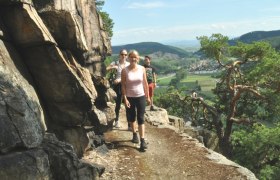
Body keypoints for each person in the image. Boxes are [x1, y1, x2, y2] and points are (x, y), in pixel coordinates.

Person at [121, 50, 150, 151]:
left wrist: (148, 96)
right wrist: (125, 98)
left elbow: (145, 83)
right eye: (131, 57)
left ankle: (142, 141)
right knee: (132, 118)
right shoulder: (124, 70)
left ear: (138, 58)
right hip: (129, 97)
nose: (133, 59)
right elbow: (123, 85)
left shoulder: (142, 69)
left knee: (141, 118)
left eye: (135, 57)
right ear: (128, 58)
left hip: (140, 96)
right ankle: (134, 134)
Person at [106, 49, 130, 128]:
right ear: (119, 55)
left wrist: (120, 79)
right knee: (118, 104)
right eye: (122, 54)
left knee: (128, 105)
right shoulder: (115, 63)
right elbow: (105, 70)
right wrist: (113, 67)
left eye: (125, 55)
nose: (124, 56)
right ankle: (116, 121)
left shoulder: (129, 65)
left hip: (127, 86)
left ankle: (129, 124)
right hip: (118, 86)